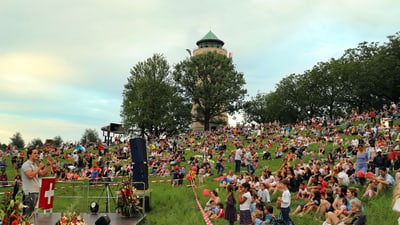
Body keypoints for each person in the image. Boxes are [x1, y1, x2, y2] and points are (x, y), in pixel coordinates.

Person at [21, 148, 52, 217]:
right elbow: (30, 175)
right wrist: (39, 167)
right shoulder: (26, 165)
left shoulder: (34, 165)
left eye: (37, 153)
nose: (37, 155)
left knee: (30, 214)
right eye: (34, 153)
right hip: (29, 193)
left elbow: (43, 173)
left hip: (35, 191)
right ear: (29, 155)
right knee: (27, 214)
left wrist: (47, 165)